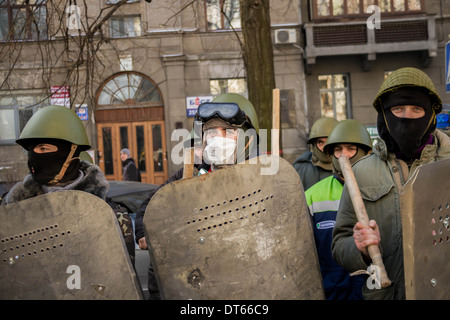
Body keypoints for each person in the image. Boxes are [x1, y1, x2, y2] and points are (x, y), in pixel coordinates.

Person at [331, 67, 450, 300]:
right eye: (398, 109)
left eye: (417, 109)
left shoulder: (448, 165)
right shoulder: (361, 173)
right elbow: (339, 245)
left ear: (431, 115)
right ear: (384, 115)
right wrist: (360, 249)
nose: (406, 117)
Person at [134, 93, 260, 299]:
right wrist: (145, 232)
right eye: (211, 133)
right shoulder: (189, 177)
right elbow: (152, 206)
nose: (217, 140)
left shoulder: (264, 180)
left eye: (228, 132)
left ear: (249, 139)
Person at [305, 119, 372, 300]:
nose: (344, 156)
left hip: (374, 291)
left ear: (368, 152)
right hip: (334, 293)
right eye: (337, 149)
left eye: (351, 148)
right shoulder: (312, 195)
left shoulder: (382, 189)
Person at [1, 105, 109, 204]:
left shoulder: (104, 209)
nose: (34, 154)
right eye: (30, 149)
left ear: (71, 151)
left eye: (43, 148)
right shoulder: (13, 205)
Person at [292, 117, 338, 191]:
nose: (325, 147)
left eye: (330, 141)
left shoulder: (351, 168)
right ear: (314, 144)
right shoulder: (300, 169)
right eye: (320, 142)